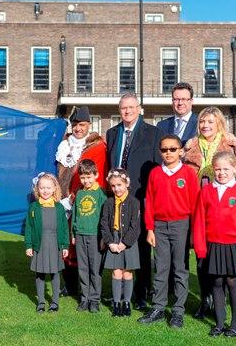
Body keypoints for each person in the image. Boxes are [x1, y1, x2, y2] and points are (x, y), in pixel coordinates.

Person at [183, 106, 236, 319]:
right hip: (197, 209)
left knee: (226, 264)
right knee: (203, 259)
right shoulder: (190, 147)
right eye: (202, 122)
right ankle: (206, 300)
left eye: (210, 121)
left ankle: (225, 303)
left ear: (219, 123)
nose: (205, 125)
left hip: (225, 213)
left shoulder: (232, 145)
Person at [106, 93, 163, 309]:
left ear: (139, 108)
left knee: (140, 247)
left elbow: (157, 169)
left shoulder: (154, 133)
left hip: (140, 198)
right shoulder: (112, 133)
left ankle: (141, 292)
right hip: (117, 199)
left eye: (131, 107)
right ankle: (119, 293)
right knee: (119, 243)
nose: (127, 111)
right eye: (123, 108)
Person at [138, 134, 198, 328]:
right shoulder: (155, 173)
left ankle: (178, 311)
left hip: (181, 225)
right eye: (164, 149)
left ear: (180, 151)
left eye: (173, 149)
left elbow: (195, 204)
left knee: (180, 269)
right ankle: (158, 307)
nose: (168, 153)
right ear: (160, 152)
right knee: (161, 268)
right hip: (159, 227)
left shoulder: (188, 173)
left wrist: (193, 232)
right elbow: (150, 203)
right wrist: (150, 229)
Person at [194, 151, 236, 337]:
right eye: (217, 169)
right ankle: (219, 323)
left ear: (235, 168)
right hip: (212, 245)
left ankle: (235, 324)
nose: (221, 173)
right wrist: (200, 247)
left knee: (231, 281)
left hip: (234, 245)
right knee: (217, 282)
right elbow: (199, 221)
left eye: (226, 169)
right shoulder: (206, 190)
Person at [56, 106, 107, 296]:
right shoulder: (63, 144)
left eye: (82, 125)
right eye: (75, 125)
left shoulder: (97, 146)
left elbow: (98, 178)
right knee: (65, 243)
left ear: (89, 125)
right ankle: (69, 286)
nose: (78, 129)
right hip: (62, 202)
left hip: (85, 204)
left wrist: (76, 198)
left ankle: (90, 287)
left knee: (85, 246)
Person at [24, 173, 69, 313]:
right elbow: (29, 228)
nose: (45, 190)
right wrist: (29, 245)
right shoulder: (34, 207)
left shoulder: (59, 208)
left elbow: (63, 228)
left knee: (55, 273)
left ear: (54, 189)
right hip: (40, 243)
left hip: (55, 243)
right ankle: (41, 302)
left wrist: (65, 245)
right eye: (42, 187)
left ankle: (55, 302)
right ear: (38, 189)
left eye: (48, 187)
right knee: (40, 273)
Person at [100, 168, 140, 317]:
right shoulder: (108, 203)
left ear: (126, 183)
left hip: (128, 242)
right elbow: (104, 224)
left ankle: (127, 302)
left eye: (119, 185)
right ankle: (116, 303)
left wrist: (125, 243)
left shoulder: (134, 202)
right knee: (116, 272)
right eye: (113, 186)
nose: (116, 188)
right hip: (114, 240)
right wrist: (110, 242)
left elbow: (135, 227)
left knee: (127, 273)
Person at [71, 159, 106, 313]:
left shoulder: (101, 195)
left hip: (95, 236)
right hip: (80, 235)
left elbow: (105, 218)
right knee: (83, 268)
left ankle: (94, 299)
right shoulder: (79, 194)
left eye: (89, 177)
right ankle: (84, 298)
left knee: (95, 269)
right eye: (83, 177)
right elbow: (75, 215)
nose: (86, 180)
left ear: (96, 175)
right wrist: (73, 233)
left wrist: (104, 238)